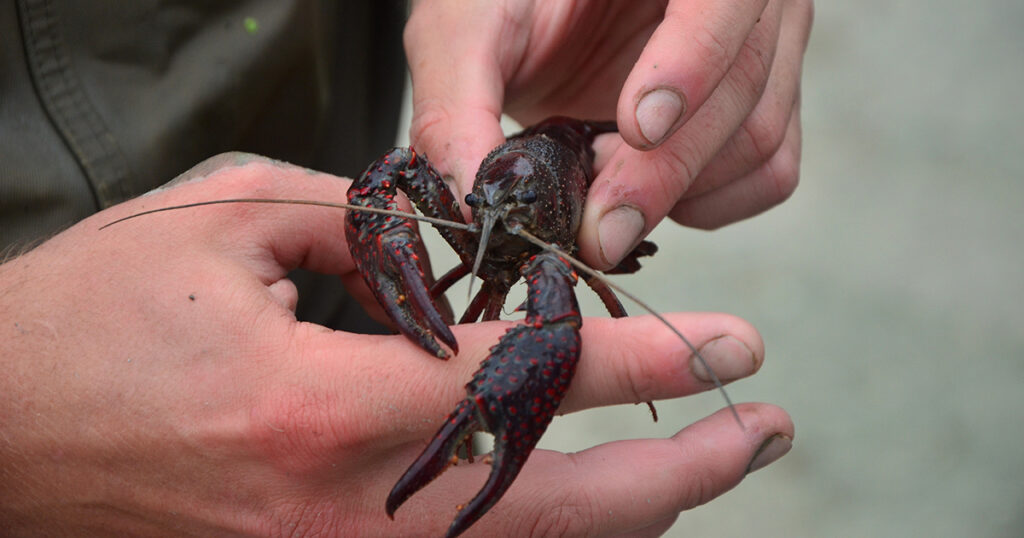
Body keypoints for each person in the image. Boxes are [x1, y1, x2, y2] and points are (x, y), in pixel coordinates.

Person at [0, 0, 811, 535]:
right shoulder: (471, 204)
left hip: (338, 364)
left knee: (546, 314)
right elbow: (385, 181)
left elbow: (560, 310)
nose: (486, 236)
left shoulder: (557, 260)